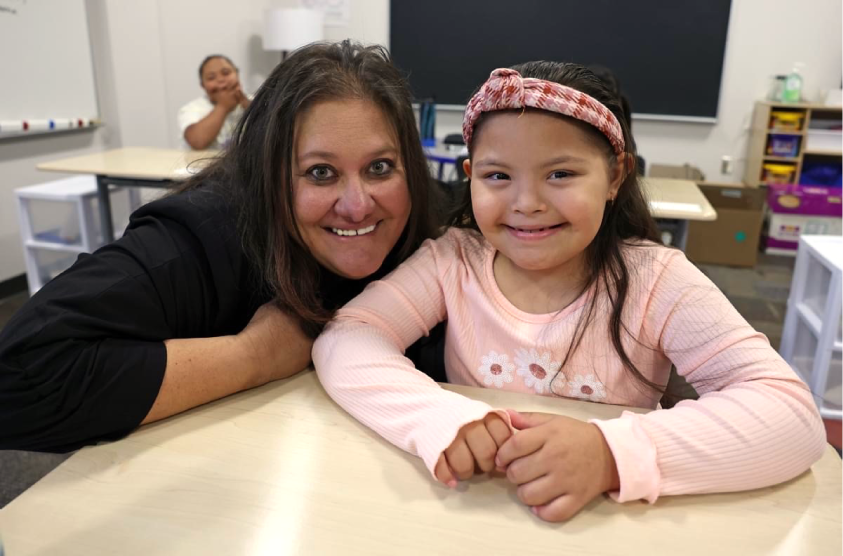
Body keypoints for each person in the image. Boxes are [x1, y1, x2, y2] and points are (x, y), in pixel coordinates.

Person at [313, 63, 826, 522]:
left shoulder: (655, 279)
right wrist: (437, 416)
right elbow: (349, 337)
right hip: (477, 515)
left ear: (614, 176)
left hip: (608, 523)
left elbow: (791, 416)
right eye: (498, 176)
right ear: (469, 177)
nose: (527, 202)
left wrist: (610, 453)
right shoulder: (454, 260)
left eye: (560, 173)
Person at [0, 41, 444, 453]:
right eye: (320, 173)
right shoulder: (202, 238)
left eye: (380, 167)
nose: (357, 206)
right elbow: (18, 377)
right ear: (267, 173)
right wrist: (253, 356)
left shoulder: (429, 216)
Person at [178, 54, 251, 150]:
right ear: (202, 85)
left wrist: (249, 107)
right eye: (211, 78)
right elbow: (197, 141)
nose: (221, 80)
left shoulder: (252, 101)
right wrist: (223, 106)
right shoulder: (192, 109)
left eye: (226, 73)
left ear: (237, 74)